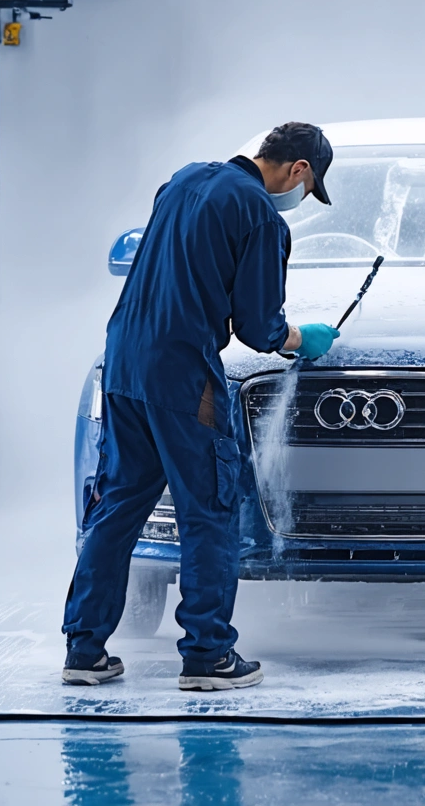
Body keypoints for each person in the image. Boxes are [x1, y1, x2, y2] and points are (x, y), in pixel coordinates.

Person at [61, 122, 340, 689]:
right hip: (185, 374)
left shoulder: (182, 181)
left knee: (116, 506)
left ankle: (84, 651)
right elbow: (258, 327)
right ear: (299, 170)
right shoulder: (262, 215)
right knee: (210, 507)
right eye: (307, 192)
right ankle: (208, 654)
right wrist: (302, 338)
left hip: (122, 362)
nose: (299, 200)